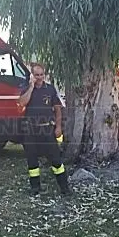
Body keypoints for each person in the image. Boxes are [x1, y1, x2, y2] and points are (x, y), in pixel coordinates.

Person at [18, 63, 71, 196]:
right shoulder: (25, 88)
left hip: (47, 129)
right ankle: (35, 188)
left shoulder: (50, 89)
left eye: (42, 75)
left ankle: (64, 187)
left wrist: (58, 127)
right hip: (30, 130)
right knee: (32, 160)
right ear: (32, 75)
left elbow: (58, 109)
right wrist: (31, 87)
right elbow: (22, 103)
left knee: (56, 159)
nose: (40, 77)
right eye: (37, 75)